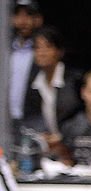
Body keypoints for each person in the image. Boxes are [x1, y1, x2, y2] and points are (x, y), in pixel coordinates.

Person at [21, 26, 83, 141]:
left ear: (59, 52)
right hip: (45, 145)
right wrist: (41, 135)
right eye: (37, 48)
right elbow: (30, 118)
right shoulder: (34, 84)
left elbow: (82, 115)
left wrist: (62, 136)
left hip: (74, 141)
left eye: (48, 47)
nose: (42, 53)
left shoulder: (75, 80)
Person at [9, 0, 44, 128]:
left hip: (32, 120)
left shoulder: (44, 50)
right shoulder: (5, 49)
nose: (23, 21)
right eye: (18, 15)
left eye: (28, 15)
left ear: (38, 19)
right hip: (4, 118)